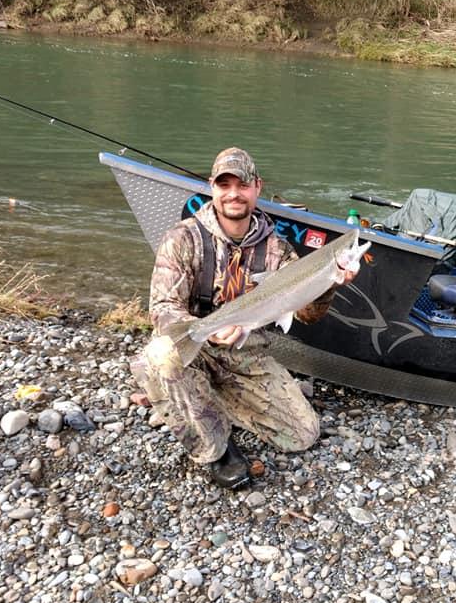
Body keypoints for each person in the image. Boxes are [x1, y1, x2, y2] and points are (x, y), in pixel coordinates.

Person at [131, 147, 357, 489]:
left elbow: (308, 316)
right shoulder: (183, 238)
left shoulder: (279, 250)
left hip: (248, 356)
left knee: (302, 436)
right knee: (159, 356)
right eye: (225, 184)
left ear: (257, 187)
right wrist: (208, 332)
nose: (234, 193)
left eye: (243, 184)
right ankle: (215, 448)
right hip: (198, 346)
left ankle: (204, 396)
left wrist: (330, 283)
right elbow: (162, 307)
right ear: (212, 187)